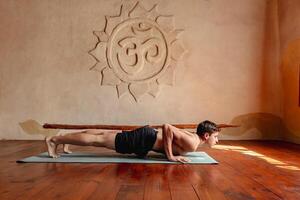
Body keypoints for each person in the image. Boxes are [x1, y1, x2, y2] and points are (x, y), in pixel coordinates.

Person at [45, 120, 220, 163]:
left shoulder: (193, 139)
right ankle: (54, 140)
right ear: (206, 135)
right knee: (99, 140)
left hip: (145, 137)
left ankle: (65, 138)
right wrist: (171, 156)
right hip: (144, 139)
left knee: (102, 134)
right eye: (216, 136)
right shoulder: (191, 142)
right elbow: (167, 127)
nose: (217, 140)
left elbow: (170, 133)